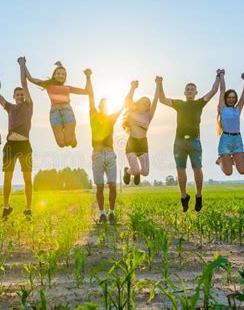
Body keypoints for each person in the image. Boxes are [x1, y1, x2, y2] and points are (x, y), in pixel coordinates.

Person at [158, 70, 222, 212]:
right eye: (188, 89)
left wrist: (218, 76)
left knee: (197, 169)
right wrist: (159, 83)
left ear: (196, 92)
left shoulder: (199, 103)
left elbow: (213, 90)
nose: (190, 91)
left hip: (194, 142)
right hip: (179, 142)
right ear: (185, 93)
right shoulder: (179, 104)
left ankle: (199, 196)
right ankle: (183, 196)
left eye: (192, 89)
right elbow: (162, 99)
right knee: (180, 170)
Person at [87, 69, 126, 224]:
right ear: (99, 106)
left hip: (110, 154)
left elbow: (123, 105)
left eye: (107, 105)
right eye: (102, 105)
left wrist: (132, 89)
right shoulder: (93, 116)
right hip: (97, 154)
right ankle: (102, 213)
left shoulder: (111, 118)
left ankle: (111, 212)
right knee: (100, 186)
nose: (105, 107)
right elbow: (90, 96)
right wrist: (89, 77)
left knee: (112, 185)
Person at [0, 57, 34, 221]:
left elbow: (25, 84)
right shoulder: (10, 107)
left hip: (25, 145)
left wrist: (22, 65)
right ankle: (6, 207)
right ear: (13, 96)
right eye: (17, 94)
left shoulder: (29, 105)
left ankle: (28, 208)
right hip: (10, 145)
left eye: (21, 94)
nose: (20, 95)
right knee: (7, 177)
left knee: (27, 177)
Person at [24, 61, 89, 148]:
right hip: (55, 113)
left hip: (67, 112)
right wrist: (23, 64)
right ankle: (67, 134)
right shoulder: (48, 85)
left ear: (65, 77)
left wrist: (88, 76)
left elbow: (86, 92)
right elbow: (30, 78)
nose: (60, 75)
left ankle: (73, 138)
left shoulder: (67, 88)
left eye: (63, 74)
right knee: (61, 144)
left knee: (69, 140)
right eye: (58, 73)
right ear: (54, 75)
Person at [122, 78, 159, 185]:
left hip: (143, 144)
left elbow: (155, 100)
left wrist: (158, 85)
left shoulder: (149, 116)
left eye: (147, 103)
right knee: (137, 170)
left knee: (145, 172)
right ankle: (128, 172)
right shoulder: (132, 112)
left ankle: (134, 172)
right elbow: (127, 100)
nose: (146, 104)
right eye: (143, 102)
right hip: (132, 143)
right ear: (138, 103)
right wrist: (133, 88)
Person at [215, 71, 244, 176]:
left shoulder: (238, 109)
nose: (231, 99)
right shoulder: (222, 108)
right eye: (229, 97)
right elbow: (222, 90)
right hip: (225, 139)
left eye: (233, 97)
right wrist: (221, 76)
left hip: (237, 139)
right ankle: (220, 161)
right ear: (226, 98)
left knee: (242, 171)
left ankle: (231, 158)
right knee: (228, 172)